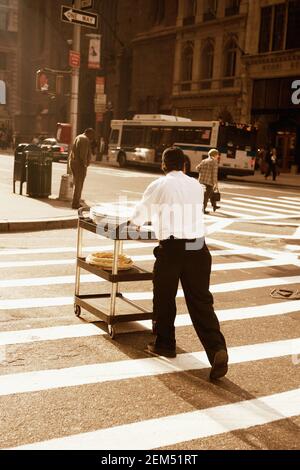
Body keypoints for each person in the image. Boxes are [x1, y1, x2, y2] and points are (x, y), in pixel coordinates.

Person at [130, 147, 228, 380]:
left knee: (164, 296)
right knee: (201, 302)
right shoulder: (196, 185)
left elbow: (139, 216)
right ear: (184, 165)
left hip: (173, 247)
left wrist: (134, 222)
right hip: (198, 247)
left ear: (164, 165)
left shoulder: (159, 184)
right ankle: (217, 348)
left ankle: (165, 343)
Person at [69, 128, 95, 209]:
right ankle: (75, 203)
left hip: (73, 162)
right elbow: (82, 154)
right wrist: (85, 164)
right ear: (89, 133)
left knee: (77, 183)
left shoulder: (79, 137)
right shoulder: (85, 139)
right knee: (79, 184)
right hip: (79, 165)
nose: (93, 137)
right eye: (92, 135)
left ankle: (75, 202)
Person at [196, 148, 220, 214]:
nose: (218, 156)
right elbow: (214, 174)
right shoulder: (214, 162)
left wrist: (203, 173)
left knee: (211, 193)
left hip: (201, 180)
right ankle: (203, 209)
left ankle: (214, 205)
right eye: (218, 154)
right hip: (209, 181)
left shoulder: (204, 160)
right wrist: (215, 183)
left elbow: (197, 168)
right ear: (214, 155)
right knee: (206, 196)